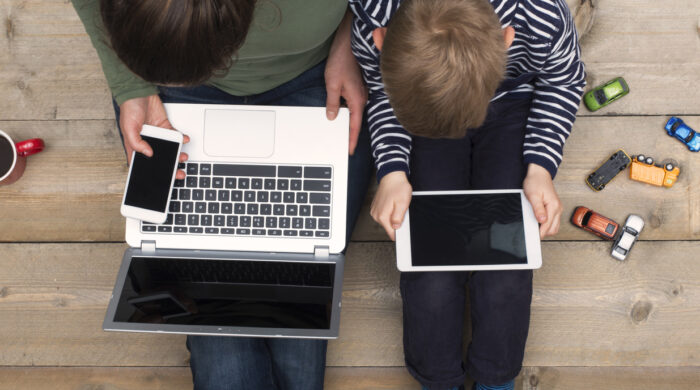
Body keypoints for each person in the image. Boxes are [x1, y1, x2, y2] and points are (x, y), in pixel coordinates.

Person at [71, 0, 373, 388]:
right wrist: (133, 86)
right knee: (215, 309)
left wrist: (352, 37)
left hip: (314, 72)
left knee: (301, 300)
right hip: (167, 56)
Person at [349, 0, 585, 389]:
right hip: (425, 106)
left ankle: (495, 378)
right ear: (381, 39)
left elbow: (563, 80)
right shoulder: (376, 12)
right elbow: (382, 87)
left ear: (507, 40)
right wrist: (392, 170)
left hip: (511, 102)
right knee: (429, 266)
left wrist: (540, 168)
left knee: (507, 265)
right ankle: (438, 379)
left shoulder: (540, 14)